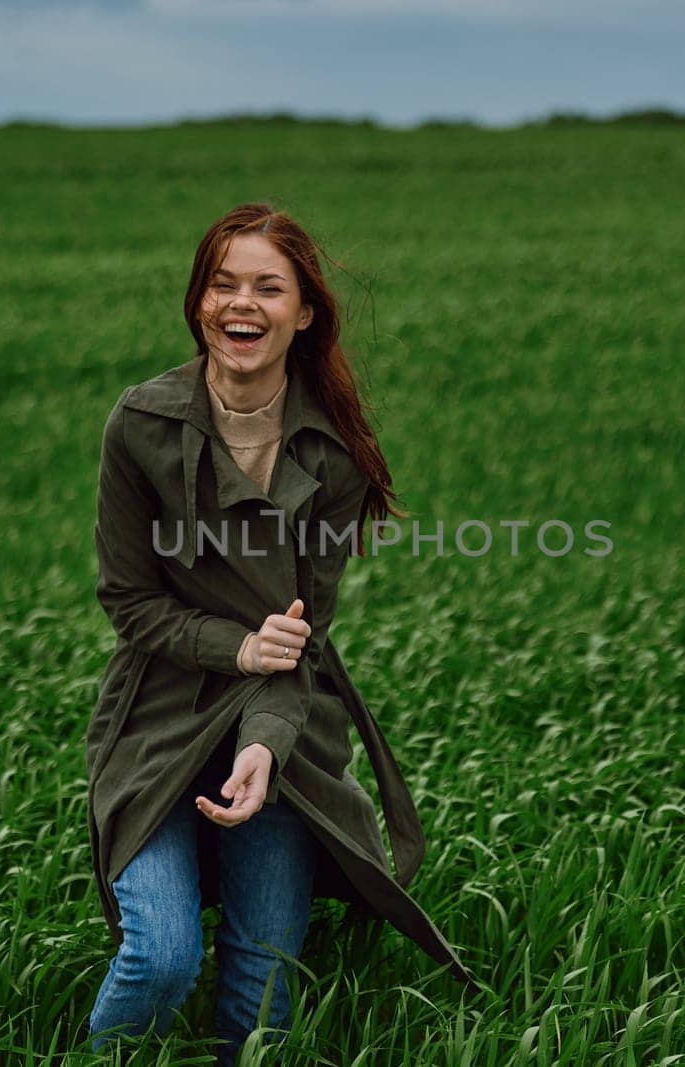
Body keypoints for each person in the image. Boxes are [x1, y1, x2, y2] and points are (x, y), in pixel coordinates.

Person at [84, 202, 478, 1065]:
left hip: (284, 729)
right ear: (199, 303)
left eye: (268, 286)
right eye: (223, 284)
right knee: (161, 954)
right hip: (157, 721)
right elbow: (129, 600)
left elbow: (303, 636)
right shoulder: (142, 424)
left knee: (261, 984)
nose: (242, 303)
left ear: (304, 313)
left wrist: (263, 740)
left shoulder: (332, 455)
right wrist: (231, 647)